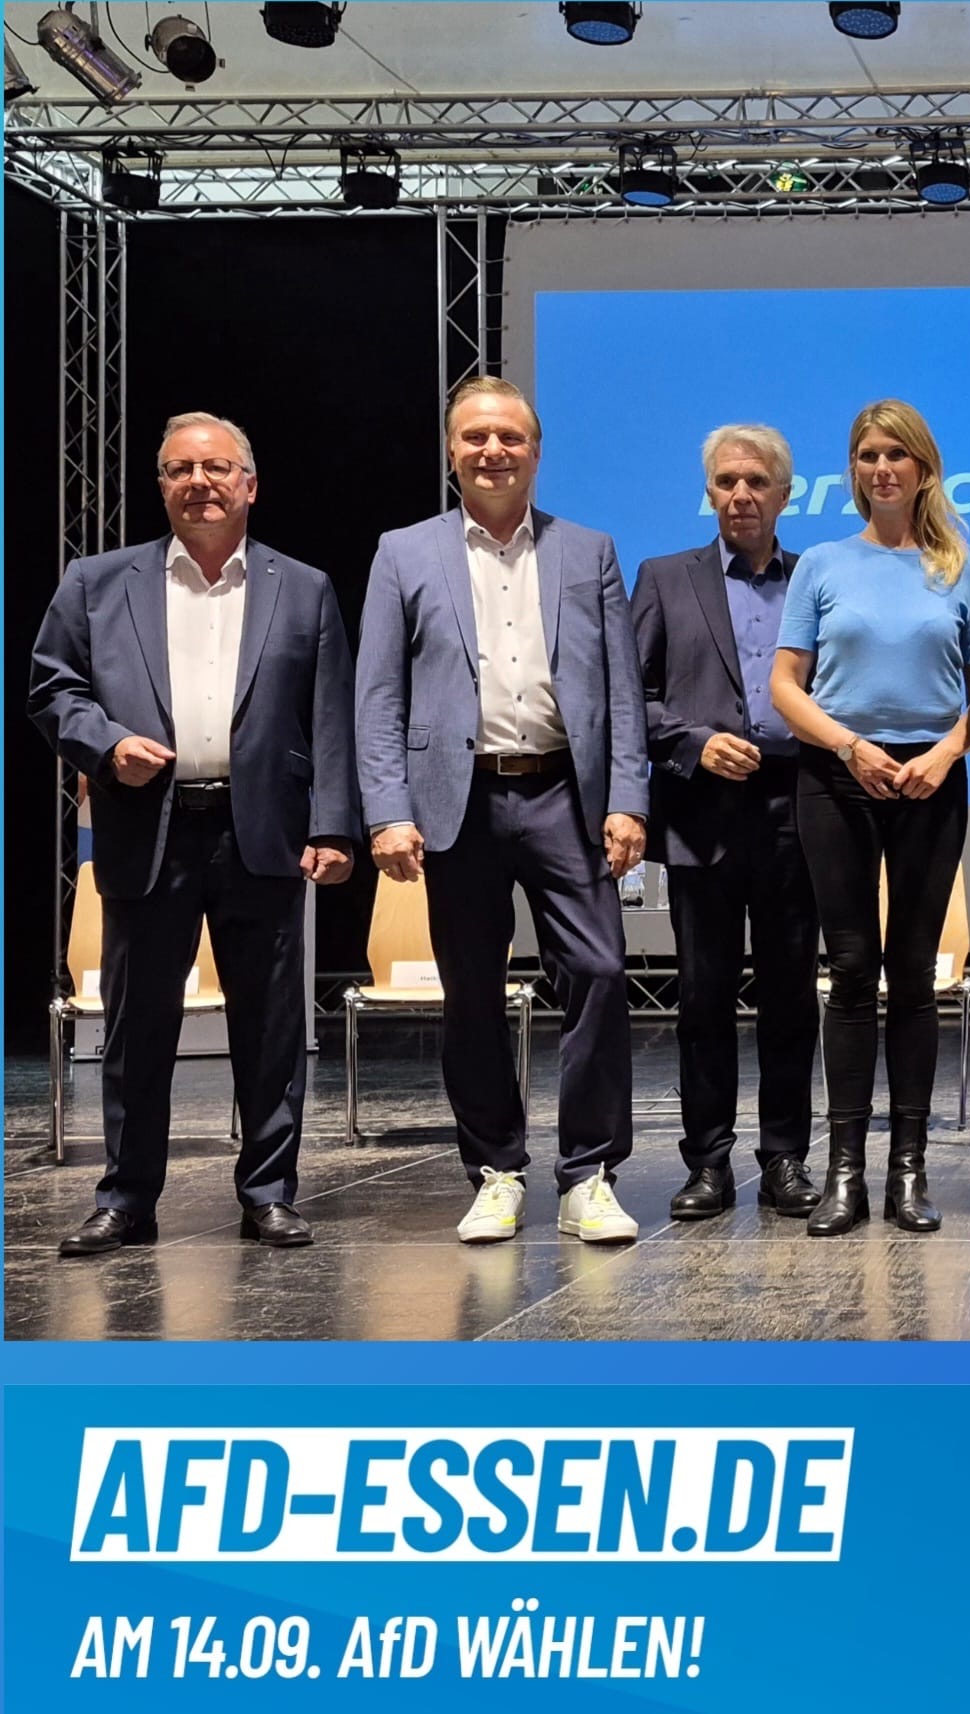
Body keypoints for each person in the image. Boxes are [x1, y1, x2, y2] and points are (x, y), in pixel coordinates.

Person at [28, 411, 358, 1254]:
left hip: (264, 832)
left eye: (215, 468)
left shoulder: (304, 587)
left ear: (250, 485)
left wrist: (334, 828)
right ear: (162, 485)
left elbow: (329, 718)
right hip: (149, 830)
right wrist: (107, 746)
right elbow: (52, 689)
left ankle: (269, 1193)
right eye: (180, 469)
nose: (199, 483)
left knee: (271, 1027)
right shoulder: (97, 581)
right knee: (137, 1027)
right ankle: (127, 1199)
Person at [355, 375, 648, 1245]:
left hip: (565, 793)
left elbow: (622, 693)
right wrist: (386, 810)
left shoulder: (588, 550)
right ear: (452, 450)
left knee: (598, 973)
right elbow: (378, 695)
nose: (493, 451)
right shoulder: (402, 552)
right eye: (476, 436)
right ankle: (496, 1170)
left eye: (510, 437)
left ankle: (589, 1174)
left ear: (536, 451)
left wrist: (628, 798)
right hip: (459, 800)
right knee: (472, 992)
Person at [769, 400, 970, 1237]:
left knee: (913, 973)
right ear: (853, 470)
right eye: (867, 455)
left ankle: (908, 1170)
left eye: (897, 454)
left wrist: (945, 753)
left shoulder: (963, 570)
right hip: (837, 778)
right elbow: (785, 685)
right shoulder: (823, 565)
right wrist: (850, 747)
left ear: (923, 468)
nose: (882, 468)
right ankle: (843, 1173)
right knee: (853, 969)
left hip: (931, 780)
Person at [632, 424, 821, 1222]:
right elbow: (629, 697)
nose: (740, 495)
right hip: (701, 808)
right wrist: (693, 743)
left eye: (756, 482)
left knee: (790, 997)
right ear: (708, 490)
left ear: (784, 494)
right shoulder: (663, 577)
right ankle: (707, 1162)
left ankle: (784, 1158)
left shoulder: (818, 576)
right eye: (726, 481)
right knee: (703, 997)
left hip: (797, 803)